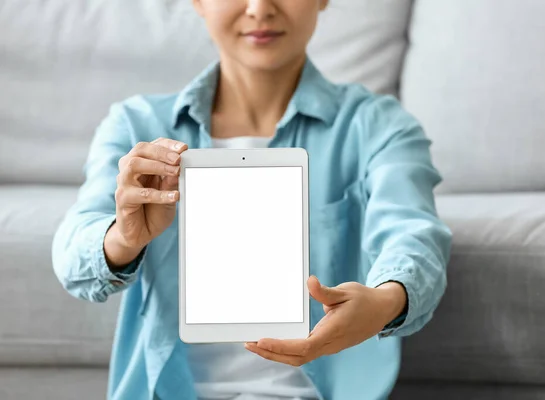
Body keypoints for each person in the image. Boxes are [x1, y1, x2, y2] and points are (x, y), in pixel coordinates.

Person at [52, 0, 452, 399]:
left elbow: (413, 234)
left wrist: (385, 301)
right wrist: (124, 237)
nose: (260, 9)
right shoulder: (135, 124)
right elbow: (73, 260)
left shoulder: (379, 126)